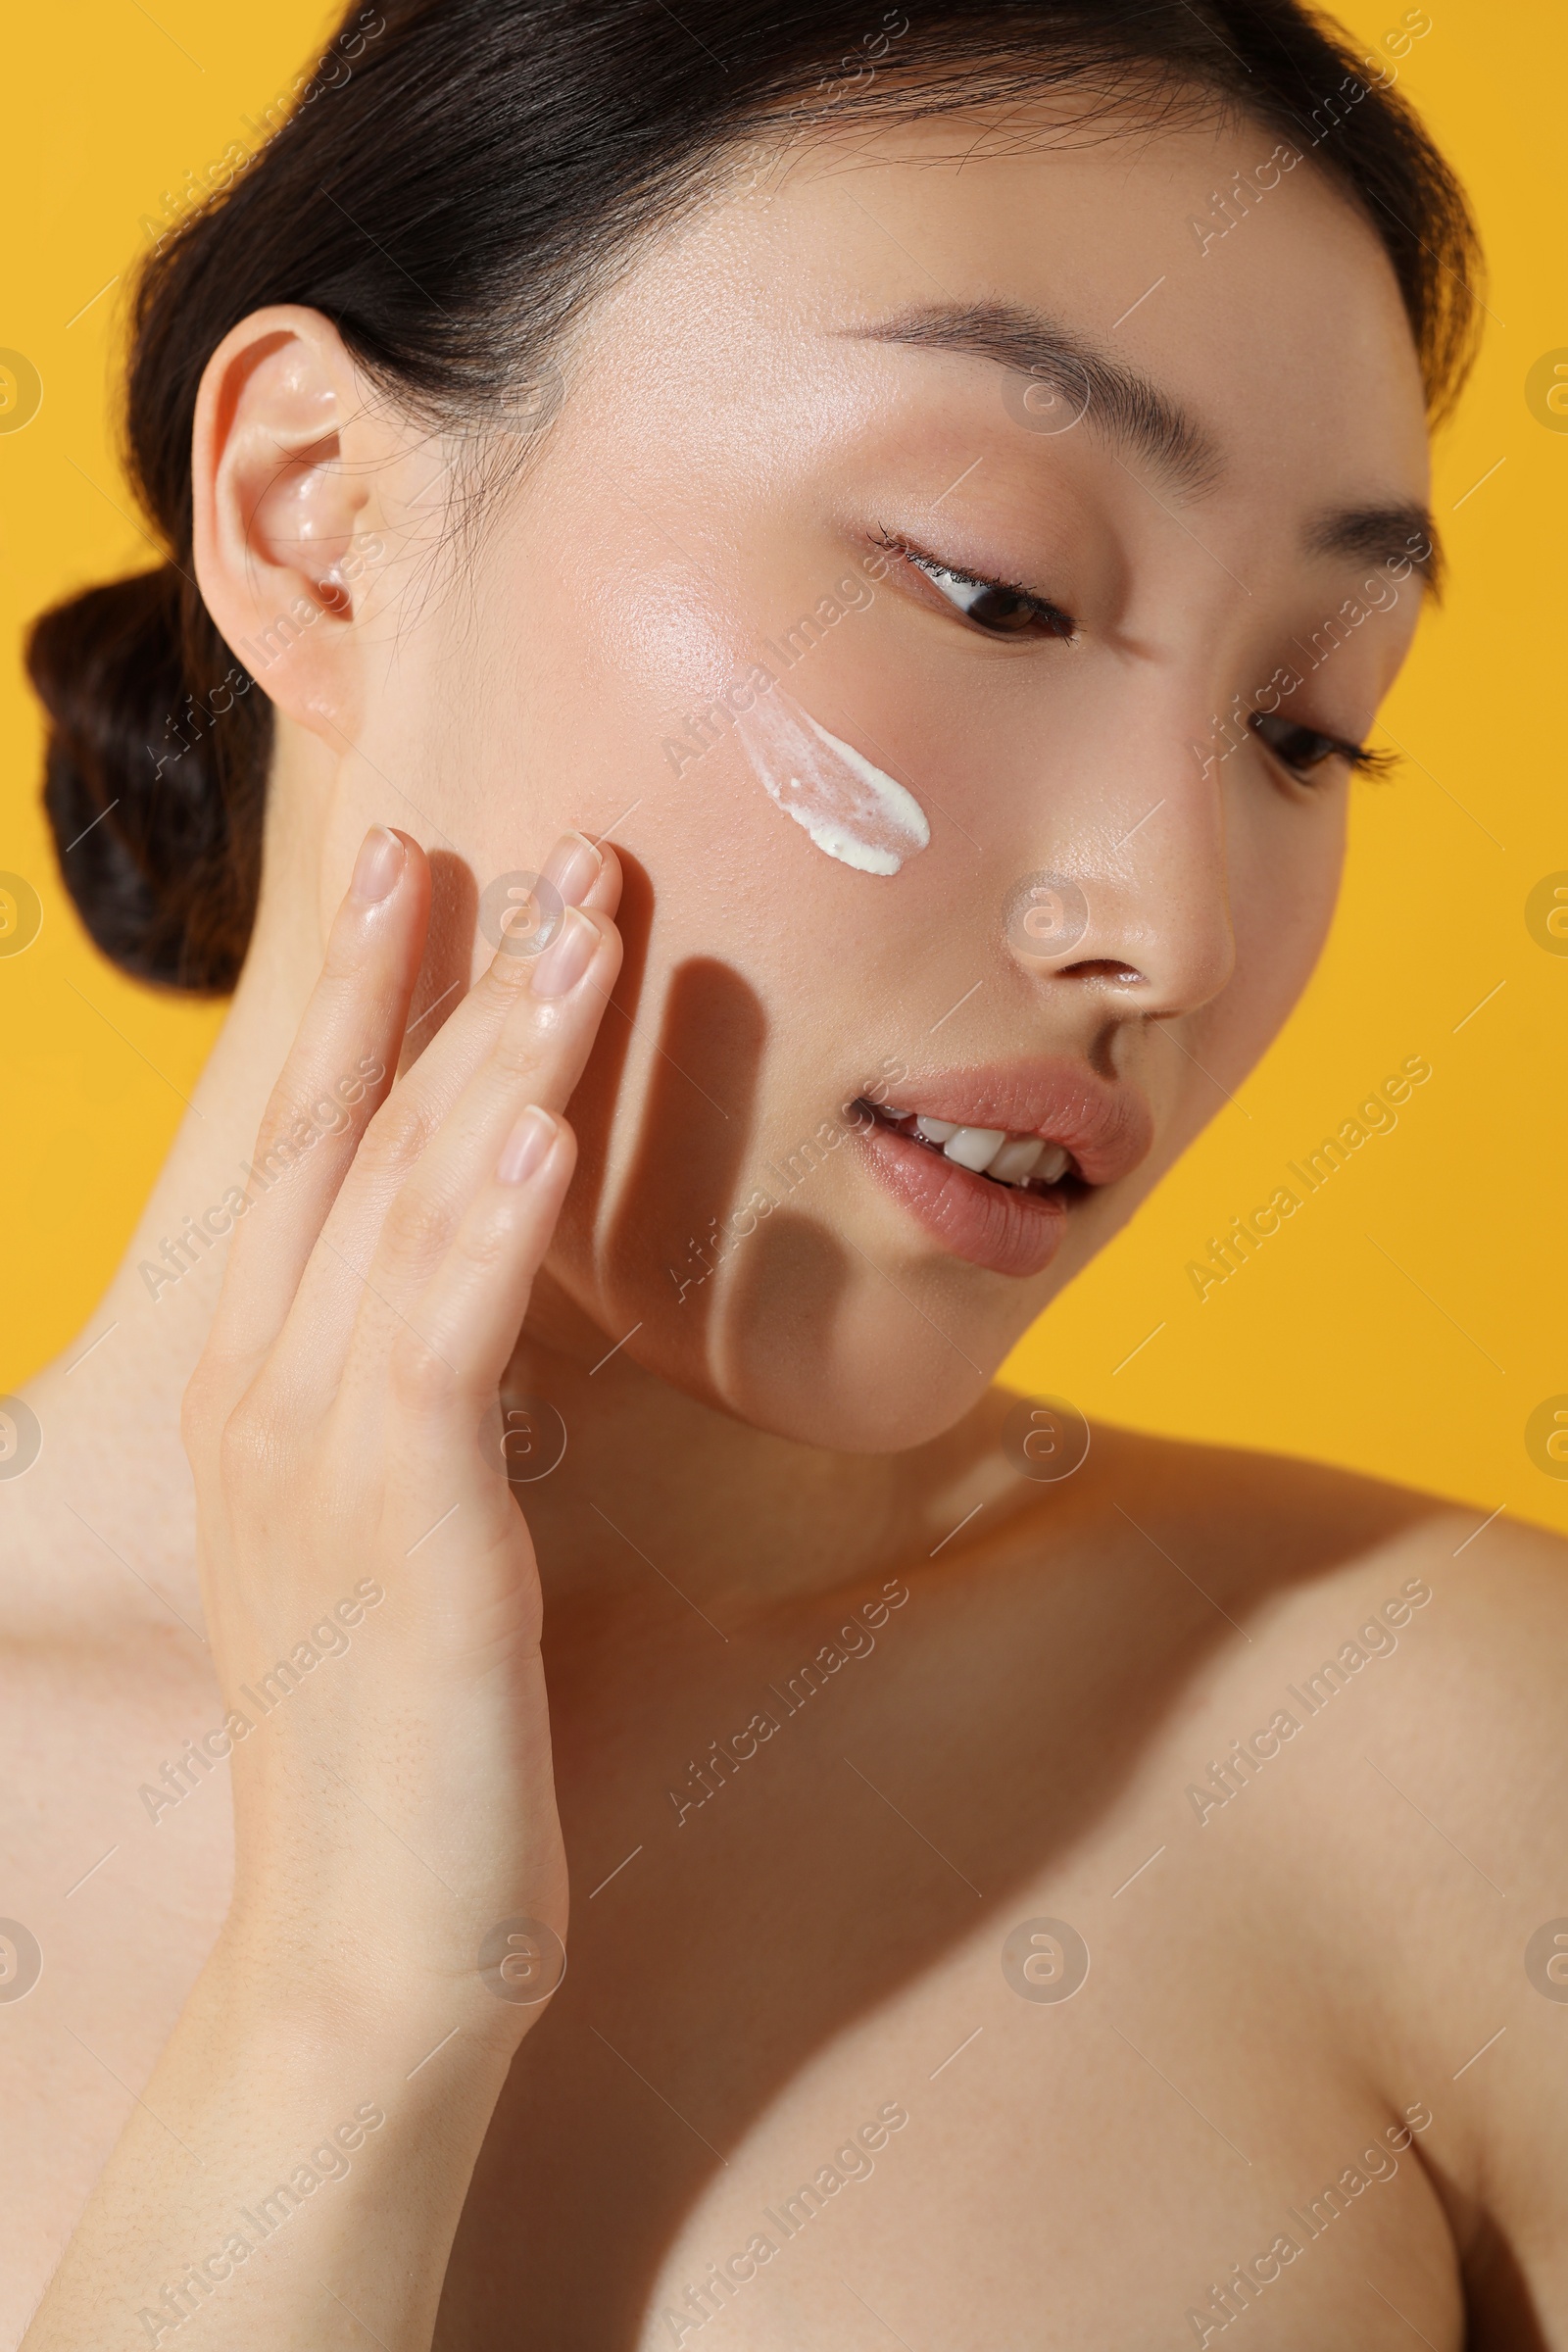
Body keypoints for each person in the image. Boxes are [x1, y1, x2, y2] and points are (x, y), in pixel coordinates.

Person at [8, 3, 1564, 2345]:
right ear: (319, 519)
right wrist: (347, 2014)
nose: (1170, 921)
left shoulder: (1436, 1767)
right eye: (989, 589)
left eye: (1299, 723)